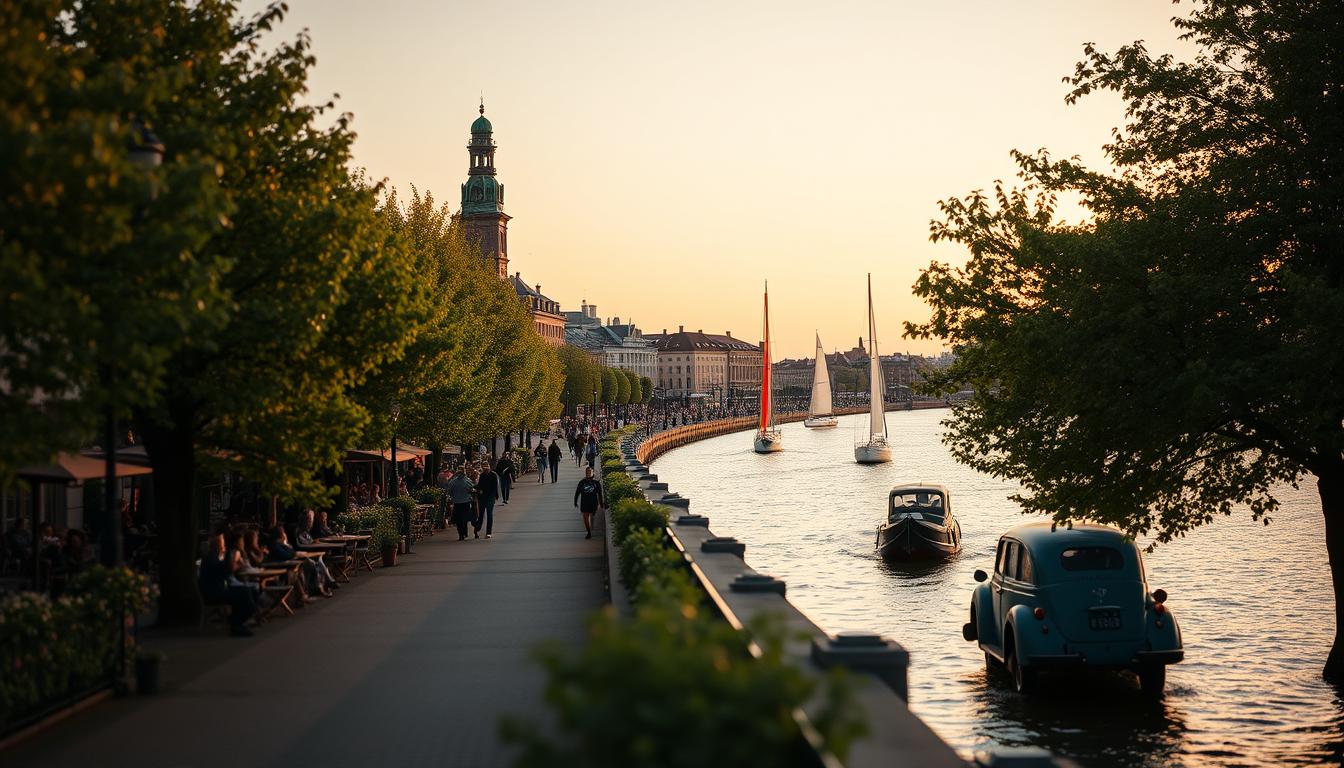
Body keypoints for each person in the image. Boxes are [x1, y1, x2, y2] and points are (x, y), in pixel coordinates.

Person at [199, 527, 258, 636]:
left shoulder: (214, 557)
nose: (224, 544)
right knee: (245, 592)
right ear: (217, 545)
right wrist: (229, 555)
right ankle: (237, 623)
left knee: (248, 590)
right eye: (222, 542)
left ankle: (239, 620)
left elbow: (225, 571)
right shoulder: (211, 558)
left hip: (220, 589)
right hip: (214, 593)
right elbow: (226, 570)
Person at [573, 466, 606, 540]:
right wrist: (575, 501)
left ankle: (591, 528)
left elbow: (600, 494)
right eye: (587, 472)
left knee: (592, 516)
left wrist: (601, 504)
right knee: (585, 517)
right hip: (584, 502)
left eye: (590, 472)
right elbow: (577, 492)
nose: (589, 473)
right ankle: (589, 532)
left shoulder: (596, 483)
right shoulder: (582, 482)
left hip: (593, 502)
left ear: (593, 473)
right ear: (585, 473)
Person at [445, 468, 476, 541]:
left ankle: (461, 534)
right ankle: (465, 533)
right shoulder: (467, 481)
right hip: (466, 502)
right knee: (464, 518)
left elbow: (449, 491)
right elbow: (472, 489)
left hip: (456, 502)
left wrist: (453, 496)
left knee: (458, 519)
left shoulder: (453, 482)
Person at [476, 464, 500, 539]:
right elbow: (480, 485)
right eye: (484, 469)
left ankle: (488, 532)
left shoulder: (493, 475)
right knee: (481, 515)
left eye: (486, 469)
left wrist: (495, 496)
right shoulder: (482, 475)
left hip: (490, 497)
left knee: (489, 514)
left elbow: (495, 486)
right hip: (483, 497)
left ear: (489, 468)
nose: (485, 470)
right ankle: (478, 527)